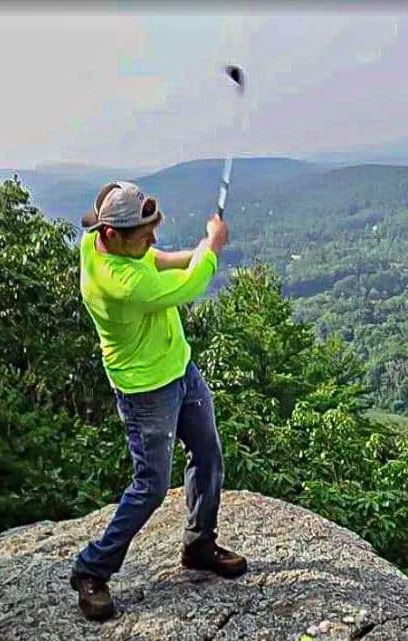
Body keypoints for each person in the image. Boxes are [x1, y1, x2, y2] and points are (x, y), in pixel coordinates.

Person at [70, 181, 247, 621]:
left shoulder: (101, 244)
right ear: (111, 234)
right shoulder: (122, 284)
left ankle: (199, 545)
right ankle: (92, 570)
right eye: (143, 232)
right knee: (150, 486)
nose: (152, 238)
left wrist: (194, 248)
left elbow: (154, 258)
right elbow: (188, 287)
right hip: (147, 389)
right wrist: (212, 248)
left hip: (179, 367)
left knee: (208, 454)